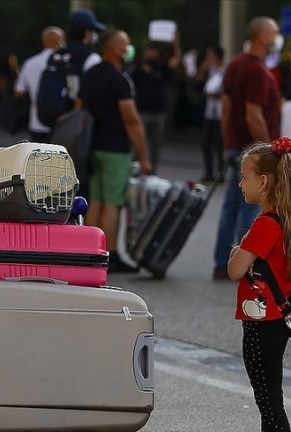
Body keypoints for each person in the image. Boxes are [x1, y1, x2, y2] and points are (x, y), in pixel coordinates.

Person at [227, 136, 291, 432]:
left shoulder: (265, 225)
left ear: (263, 182)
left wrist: (239, 247)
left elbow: (235, 269)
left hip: (262, 324)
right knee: (271, 398)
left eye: (244, 177)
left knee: (268, 402)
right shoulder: (287, 218)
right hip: (277, 320)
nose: (240, 184)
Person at [212, 17, 282, 281]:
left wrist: (227, 141)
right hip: (252, 153)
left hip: (235, 146)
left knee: (230, 206)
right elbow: (254, 115)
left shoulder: (235, 65)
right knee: (252, 207)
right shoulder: (258, 71)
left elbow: (226, 109)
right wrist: (267, 152)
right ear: (263, 36)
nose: (277, 38)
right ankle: (246, 264)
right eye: (274, 33)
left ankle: (222, 262)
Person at [80, 30, 152, 273]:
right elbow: (131, 120)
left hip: (92, 146)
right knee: (113, 204)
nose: (128, 48)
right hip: (116, 149)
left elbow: (80, 107)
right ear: (114, 49)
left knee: (96, 201)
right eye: (125, 44)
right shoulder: (120, 80)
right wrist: (143, 157)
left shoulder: (89, 75)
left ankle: (88, 250)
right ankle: (109, 254)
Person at [130, 41, 181, 172]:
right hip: (142, 113)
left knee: (156, 146)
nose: (153, 54)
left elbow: (176, 61)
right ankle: (135, 171)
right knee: (139, 144)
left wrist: (176, 42)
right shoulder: (136, 70)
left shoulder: (161, 69)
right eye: (150, 51)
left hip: (159, 113)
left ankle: (151, 172)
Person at [14, 26, 65, 142]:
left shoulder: (30, 63)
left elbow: (18, 92)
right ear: (61, 41)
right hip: (61, 122)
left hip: (37, 121)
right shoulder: (66, 62)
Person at [198, 46, 225, 183]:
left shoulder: (224, 72)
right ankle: (209, 172)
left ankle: (220, 174)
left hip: (220, 114)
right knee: (206, 143)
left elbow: (226, 92)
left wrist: (214, 95)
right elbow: (198, 78)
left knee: (219, 145)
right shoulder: (211, 72)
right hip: (209, 113)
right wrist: (204, 65)